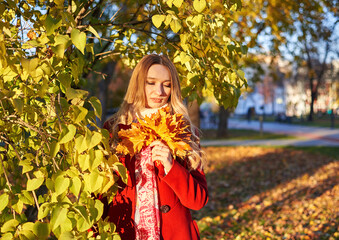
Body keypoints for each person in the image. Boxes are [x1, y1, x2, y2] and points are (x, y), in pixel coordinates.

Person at [102, 54, 208, 240]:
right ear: (138, 83)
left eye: (167, 84)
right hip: (123, 232)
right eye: (151, 82)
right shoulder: (114, 129)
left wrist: (171, 167)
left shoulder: (184, 130)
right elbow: (99, 193)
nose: (159, 91)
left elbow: (197, 201)